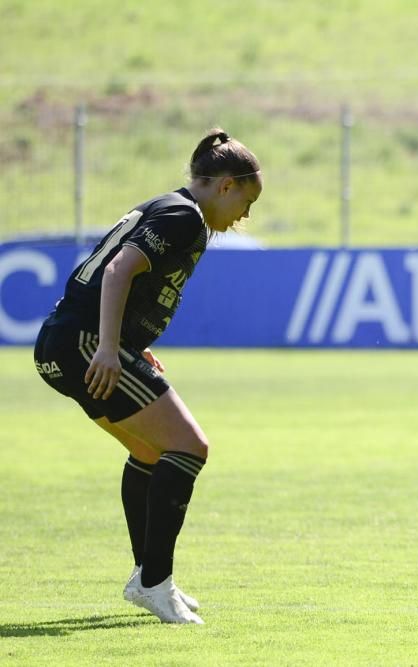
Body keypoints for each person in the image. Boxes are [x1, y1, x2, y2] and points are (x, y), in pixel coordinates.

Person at [33, 128, 263, 624]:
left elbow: (118, 279)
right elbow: (118, 272)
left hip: (62, 344)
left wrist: (135, 347)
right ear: (225, 186)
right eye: (247, 199)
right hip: (86, 344)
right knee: (190, 447)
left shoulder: (170, 207)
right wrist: (111, 348)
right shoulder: (184, 217)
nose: (246, 214)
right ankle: (156, 582)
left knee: (149, 451)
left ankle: (149, 577)